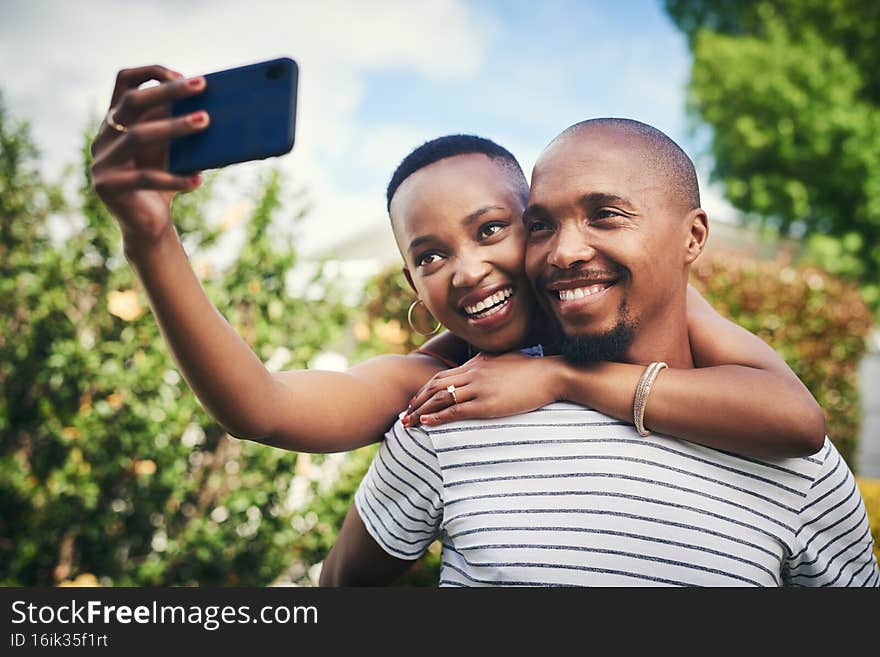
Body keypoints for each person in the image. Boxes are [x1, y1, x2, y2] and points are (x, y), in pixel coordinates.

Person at [90, 66, 824, 463]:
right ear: (413, 285)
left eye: (495, 228)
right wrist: (151, 240)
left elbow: (796, 417)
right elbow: (264, 407)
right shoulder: (440, 380)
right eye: (431, 255)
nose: (467, 270)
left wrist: (560, 376)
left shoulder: (640, 314)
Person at [320, 118, 879, 587]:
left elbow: (802, 422)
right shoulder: (461, 408)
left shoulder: (792, 460)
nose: (563, 252)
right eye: (540, 225)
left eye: (605, 215)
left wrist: (564, 377)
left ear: (693, 237)